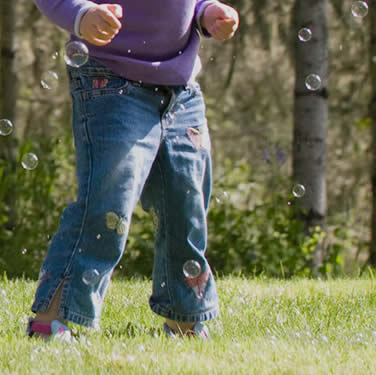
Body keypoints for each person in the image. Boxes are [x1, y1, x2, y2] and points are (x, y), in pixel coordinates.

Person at [26, 0, 240, 340]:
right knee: (107, 201)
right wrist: (82, 14)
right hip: (110, 81)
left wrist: (207, 12)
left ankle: (184, 319)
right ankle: (52, 317)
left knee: (186, 204)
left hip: (181, 89)